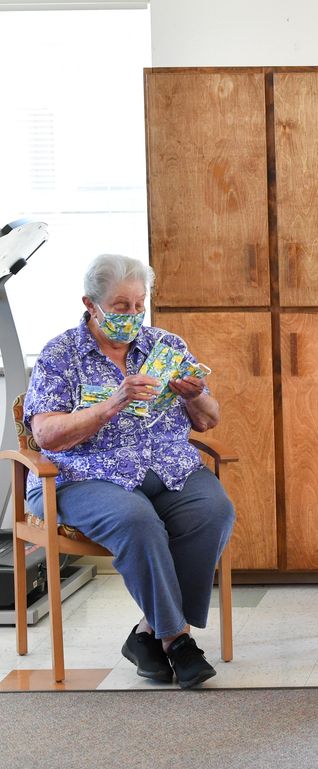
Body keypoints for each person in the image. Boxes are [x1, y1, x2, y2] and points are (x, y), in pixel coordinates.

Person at [24, 254, 235, 689]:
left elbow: (209, 419)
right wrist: (113, 402)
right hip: (82, 473)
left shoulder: (166, 346)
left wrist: (193, 396)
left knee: (214, 510)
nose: (134, 315)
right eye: (121, 306)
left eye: (140, 305)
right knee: (138, 521)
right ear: (90, 303)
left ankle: (146, 634)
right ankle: (178, 640)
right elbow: (45, 434)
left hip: (166, 466)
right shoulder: (60, 354)